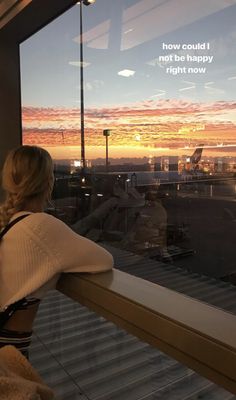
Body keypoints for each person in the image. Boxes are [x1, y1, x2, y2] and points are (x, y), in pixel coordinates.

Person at [0, 145, 113, 356]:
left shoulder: (7, 222)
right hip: (8, 355)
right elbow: (104, 260)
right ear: (48, 183)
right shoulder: (40, 226)